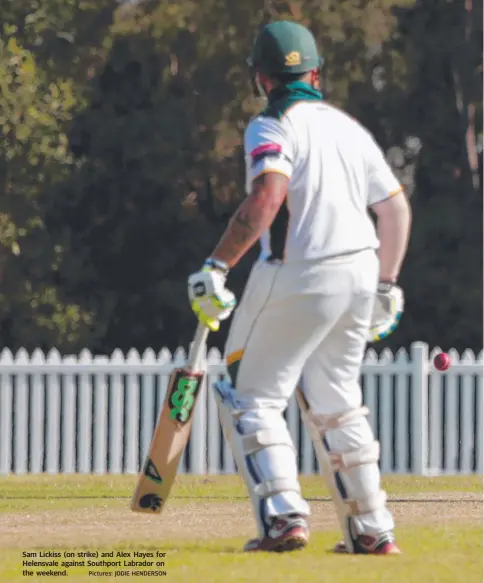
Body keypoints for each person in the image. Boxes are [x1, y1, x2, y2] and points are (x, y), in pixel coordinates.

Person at [187, 20, 411, 554]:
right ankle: (373, 528)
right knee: (338, 400)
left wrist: (216, 266)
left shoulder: (272, 123)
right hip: (360, 272)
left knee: (252, 398)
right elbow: (395, 208)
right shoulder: (347, 128)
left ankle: (284, 519)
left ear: (260, 77)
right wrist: (387, 285)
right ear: (315, 71)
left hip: (299, 272)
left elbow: (267, 198)